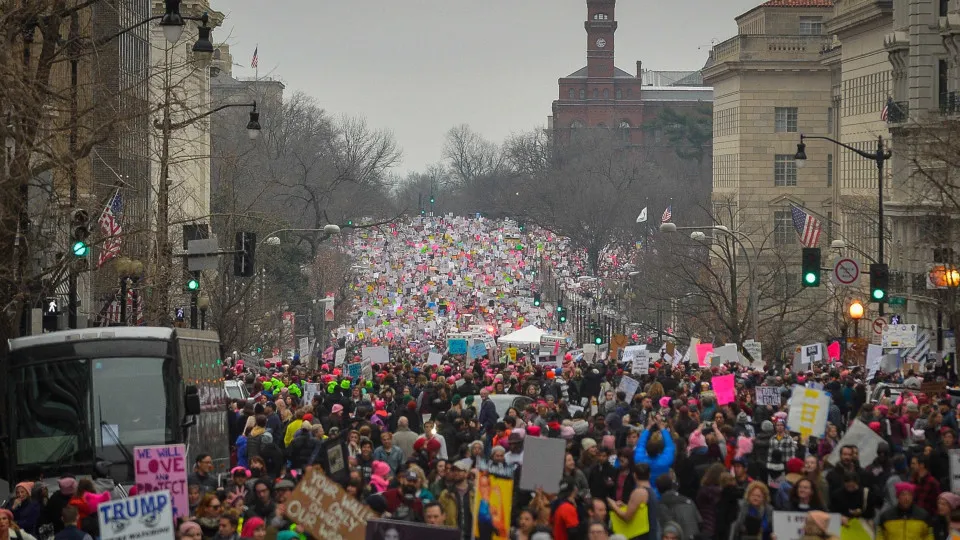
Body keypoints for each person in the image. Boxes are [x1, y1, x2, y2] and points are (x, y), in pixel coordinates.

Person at [607, 463, 658, 540]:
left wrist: (613, 505)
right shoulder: (652, 491)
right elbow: (641, 511)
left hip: (642, 536)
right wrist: (624, 506)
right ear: (649, 475)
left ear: (634, 475)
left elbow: (627, 517)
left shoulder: (639, 492)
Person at [654, 474, 700, 540]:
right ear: (672, 486)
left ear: (658, 489)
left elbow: (668, 530)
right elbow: (700, 522)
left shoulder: (662, 505)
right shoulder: (689, 501)